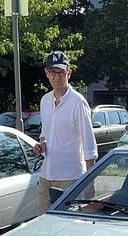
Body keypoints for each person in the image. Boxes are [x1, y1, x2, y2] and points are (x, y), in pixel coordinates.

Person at [33, 50, 97, 213]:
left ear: (68, 73)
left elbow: (89, 147)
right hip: (47, 175)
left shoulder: (78, 102)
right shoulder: (45, 100)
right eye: (52, 72)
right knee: (43, 226)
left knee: (70, 230)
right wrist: (41, 145)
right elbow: (45, 134)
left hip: (71, 177)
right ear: (46, 74)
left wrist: (90, 189)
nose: (56, 76)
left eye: (60, 72)